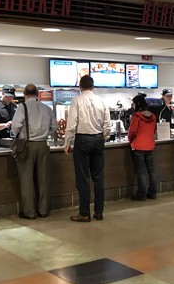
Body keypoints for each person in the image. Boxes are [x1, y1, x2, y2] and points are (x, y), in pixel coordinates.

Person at [64, 75, 111, 222]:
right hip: (98, 139)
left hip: (82, 140)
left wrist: (67, 142)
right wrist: (103, 137)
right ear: (93, 86)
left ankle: (84, 213)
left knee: (83, 178)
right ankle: (99, 212)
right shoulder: (101, 101)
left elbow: (72, 123)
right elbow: (107, 124)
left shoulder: (77, 100)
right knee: (98, 178)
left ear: (80, 86)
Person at [11, 84, 56, 220]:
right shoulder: (47, 108)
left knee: (26, 179)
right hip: (43, 145)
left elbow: (16, 126)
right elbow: (54, 127)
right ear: (37, 93)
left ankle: (29, 212)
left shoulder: (22, 107)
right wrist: (44, 133)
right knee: (44, 179)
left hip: (27, 145)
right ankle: (43, 210)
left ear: (25, 94)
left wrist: (20, 133)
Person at [128, 95, 157, 200]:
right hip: (150, 146)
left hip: (139, 146)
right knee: (151, 171)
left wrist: (130, 140)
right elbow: (154, 130)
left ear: (137, 104)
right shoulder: (153, 116)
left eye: (133, 104)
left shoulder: (137, 116)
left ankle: (141, 194)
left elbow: (132, 131)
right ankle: (152, 192)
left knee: (141, 172)